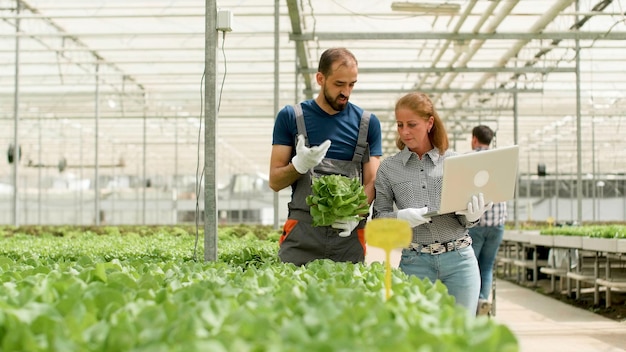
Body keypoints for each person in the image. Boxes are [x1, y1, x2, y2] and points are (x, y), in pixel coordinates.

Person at [372, 92, 492, 315]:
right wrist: (400, 219)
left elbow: (463, 219)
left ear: (429, 123)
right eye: (400, 125)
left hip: (459, 262)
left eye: (411, 124)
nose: (404, 132)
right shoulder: (389, 168)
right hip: (415, 263)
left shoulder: (455, 162)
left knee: (460, 337)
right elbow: (379, 219)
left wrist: (473, 215)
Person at [269, 47, 382, 266]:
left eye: (351, 84)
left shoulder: (367, 124)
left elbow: (372, 181)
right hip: (301, 235)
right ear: (320, 78)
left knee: (349, 299)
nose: (346, 92)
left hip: (347, 236)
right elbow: (274, 181)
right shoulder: (291, 117)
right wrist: (299, 165)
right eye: (339, 84)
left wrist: (355, 215)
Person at [468, 125, 507, 316]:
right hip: (497, 224)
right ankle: (483, 300)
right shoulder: (500, 161)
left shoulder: (469, 159)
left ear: (474, 139)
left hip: (476, 224)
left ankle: (473, 302)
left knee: (471, 265)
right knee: (487, 266)